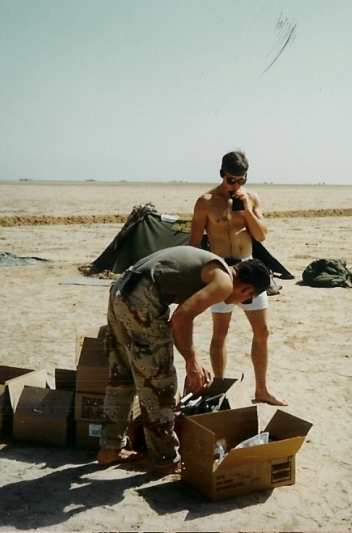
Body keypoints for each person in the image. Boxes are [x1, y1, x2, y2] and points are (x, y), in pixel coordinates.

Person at [96, 246, 272, 474]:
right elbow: (180, 318)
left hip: (121, 291)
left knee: (123, 376)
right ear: (247, 289)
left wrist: (190, 358)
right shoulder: (224, 282)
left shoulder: (213, 265)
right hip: (142, 297)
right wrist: (192, 361)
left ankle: (109, 448)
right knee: (160, 384)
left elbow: (182, 313)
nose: (242, 302)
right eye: (248, 299)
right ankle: (166, 459)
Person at [189, 151, 288, 406]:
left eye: (241, 180)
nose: (235, 186)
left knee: (263, 331)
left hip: (249, 267)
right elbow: (195, 243)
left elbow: (261, 235)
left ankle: (262, 390)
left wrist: (247, 211)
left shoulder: (250, 197)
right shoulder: (206, 201)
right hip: (221, 270)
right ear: (222, 174)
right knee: (220, 333)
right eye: (231, 180)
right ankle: (219, 388)